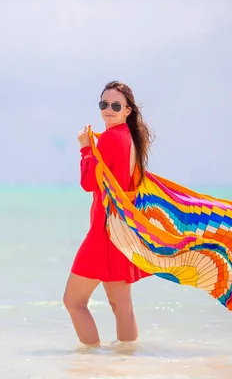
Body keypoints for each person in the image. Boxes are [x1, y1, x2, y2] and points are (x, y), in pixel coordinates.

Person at [63, 81, 154, 346]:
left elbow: (89, 183)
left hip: (103, 233)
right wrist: (96, 145)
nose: (108, 110)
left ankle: (89, 364)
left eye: (116, 105)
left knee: (73, 302)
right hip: (122, 231)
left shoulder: (113, 139)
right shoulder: (130, 138)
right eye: (104, 104)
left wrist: (85, 148)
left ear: (128, 110)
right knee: (121, 308)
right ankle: (125, 365)